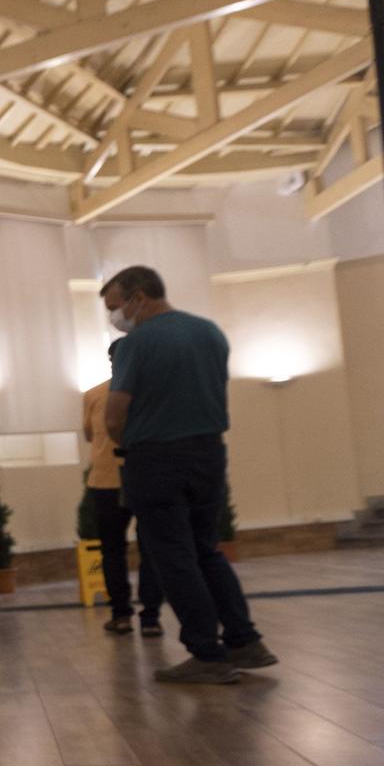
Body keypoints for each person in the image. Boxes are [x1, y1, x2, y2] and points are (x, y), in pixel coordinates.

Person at [103, 265, 277, 684]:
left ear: (138, 297)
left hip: (156, 460)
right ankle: (244, 641)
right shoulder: (210, 332)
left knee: (172, 556)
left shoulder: (135, 344)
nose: (115, 317)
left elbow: (114, 414)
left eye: (115, 306)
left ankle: (207, 653)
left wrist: (128, 442)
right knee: (206, 550)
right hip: (208, 456)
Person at [83, 343, 163, 637]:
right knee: (151, 549)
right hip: (147, 478)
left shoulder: (94, 395)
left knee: (112, 550)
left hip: (106, 482)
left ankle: (121, 616)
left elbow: (89, 435)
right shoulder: (154, 393)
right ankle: (151, 618)